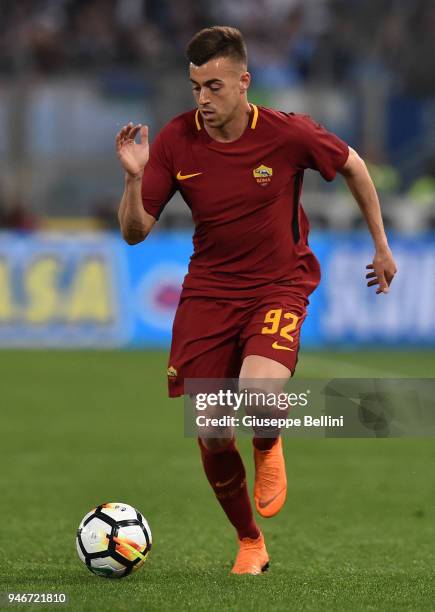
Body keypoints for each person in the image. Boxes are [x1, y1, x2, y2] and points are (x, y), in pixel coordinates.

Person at [116, 26, 397, 575]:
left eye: (214, 86)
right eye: (196, 87)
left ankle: (268, 443)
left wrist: (381, 246)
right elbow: (134, 233)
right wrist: (132, 179)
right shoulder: (176, 140)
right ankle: (250, 541)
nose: (203, 99)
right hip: (209, 294)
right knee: (213, 431)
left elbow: (354, 167)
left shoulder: (287, 133)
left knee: (259, 391)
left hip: (278, 284)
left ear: (244, 83)